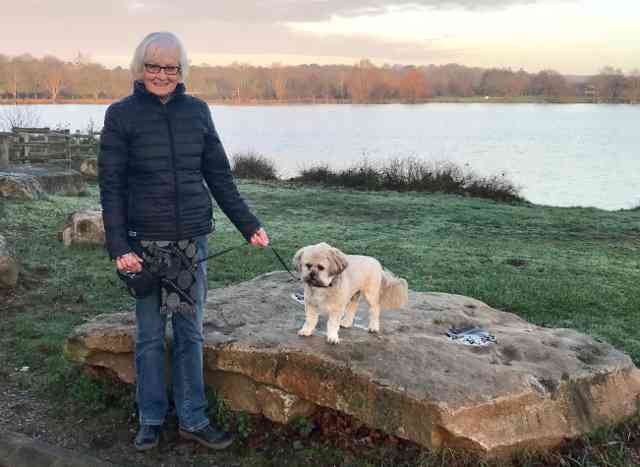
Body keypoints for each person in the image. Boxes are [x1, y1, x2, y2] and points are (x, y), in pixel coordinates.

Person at [98, 31, 269, 452]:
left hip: (192, 240)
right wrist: (119, 246)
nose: (161, 74)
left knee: (190, 332)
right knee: (150, 336)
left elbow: (218, 175)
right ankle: (151, 418)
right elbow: (111, 186)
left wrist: (248, 224)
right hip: (143, 243)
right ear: (141, 68)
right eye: (153, 66)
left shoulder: (198, 111)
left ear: (181, 71)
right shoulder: (120, 115)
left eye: (170, 67)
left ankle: (194, 418)